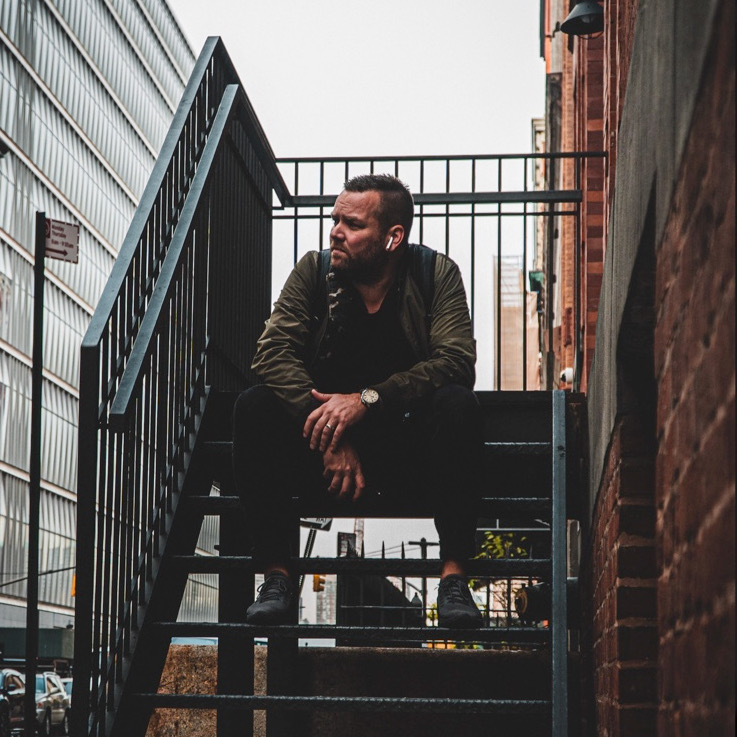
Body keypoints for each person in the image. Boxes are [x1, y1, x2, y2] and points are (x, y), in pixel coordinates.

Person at [232, 174, 483, 628]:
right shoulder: (313, 270)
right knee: (253, 406)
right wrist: (327, 432)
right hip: (323, 450)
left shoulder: (434, 273)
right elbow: (271, 353)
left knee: (457, 406)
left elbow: (456, 361)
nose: (335, 232)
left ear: (393, 237)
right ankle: (276, 575)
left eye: (351, 224)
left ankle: (453, 579)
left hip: (405, 445)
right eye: (334, 220)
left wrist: (366, 400)